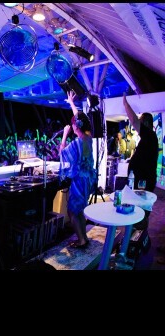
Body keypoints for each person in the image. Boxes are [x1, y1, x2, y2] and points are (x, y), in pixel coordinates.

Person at [59, 91, 96, 249]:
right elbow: (80, 119)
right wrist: (72, 104)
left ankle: (81, 240)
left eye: (73, 124)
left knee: (73, 211)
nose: (72, 126)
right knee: (79, 209)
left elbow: (62, 153)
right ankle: (84, 237)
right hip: (87, 180)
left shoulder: (77, 143)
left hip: (79, 181)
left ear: (76, 126)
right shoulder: (88, 138)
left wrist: (64, 134)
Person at [123, 93, 158, 192]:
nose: (139, 122)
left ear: (146, 122)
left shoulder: (149, 135)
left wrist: (125, 104)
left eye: (141, 120)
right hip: (142, 180)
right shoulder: (149, 137)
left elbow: (134, 121)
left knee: (141, 202)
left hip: (144, 182)